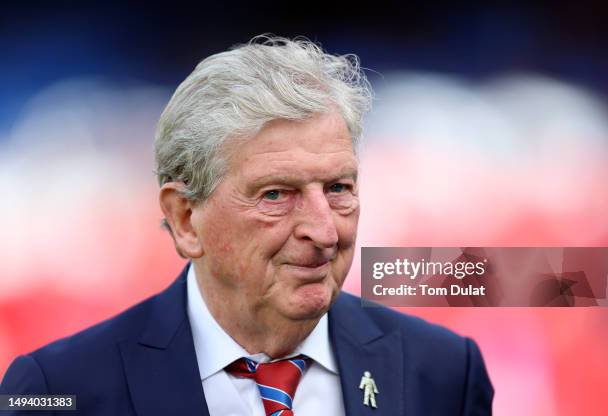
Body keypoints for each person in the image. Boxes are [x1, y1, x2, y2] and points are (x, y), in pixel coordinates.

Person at [0, 35, 494, 415]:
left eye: (339, 189)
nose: (325, 232)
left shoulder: (445, 372)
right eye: (276, 195)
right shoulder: (57, 390)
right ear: (184, 219)